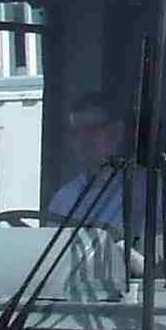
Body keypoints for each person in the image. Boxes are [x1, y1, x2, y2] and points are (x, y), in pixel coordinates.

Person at [44, 91, 143, 231]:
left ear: (117, 132)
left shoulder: (143, 190)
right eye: (76, 132)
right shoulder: (64, 197)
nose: (83, 139)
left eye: (93, 129)